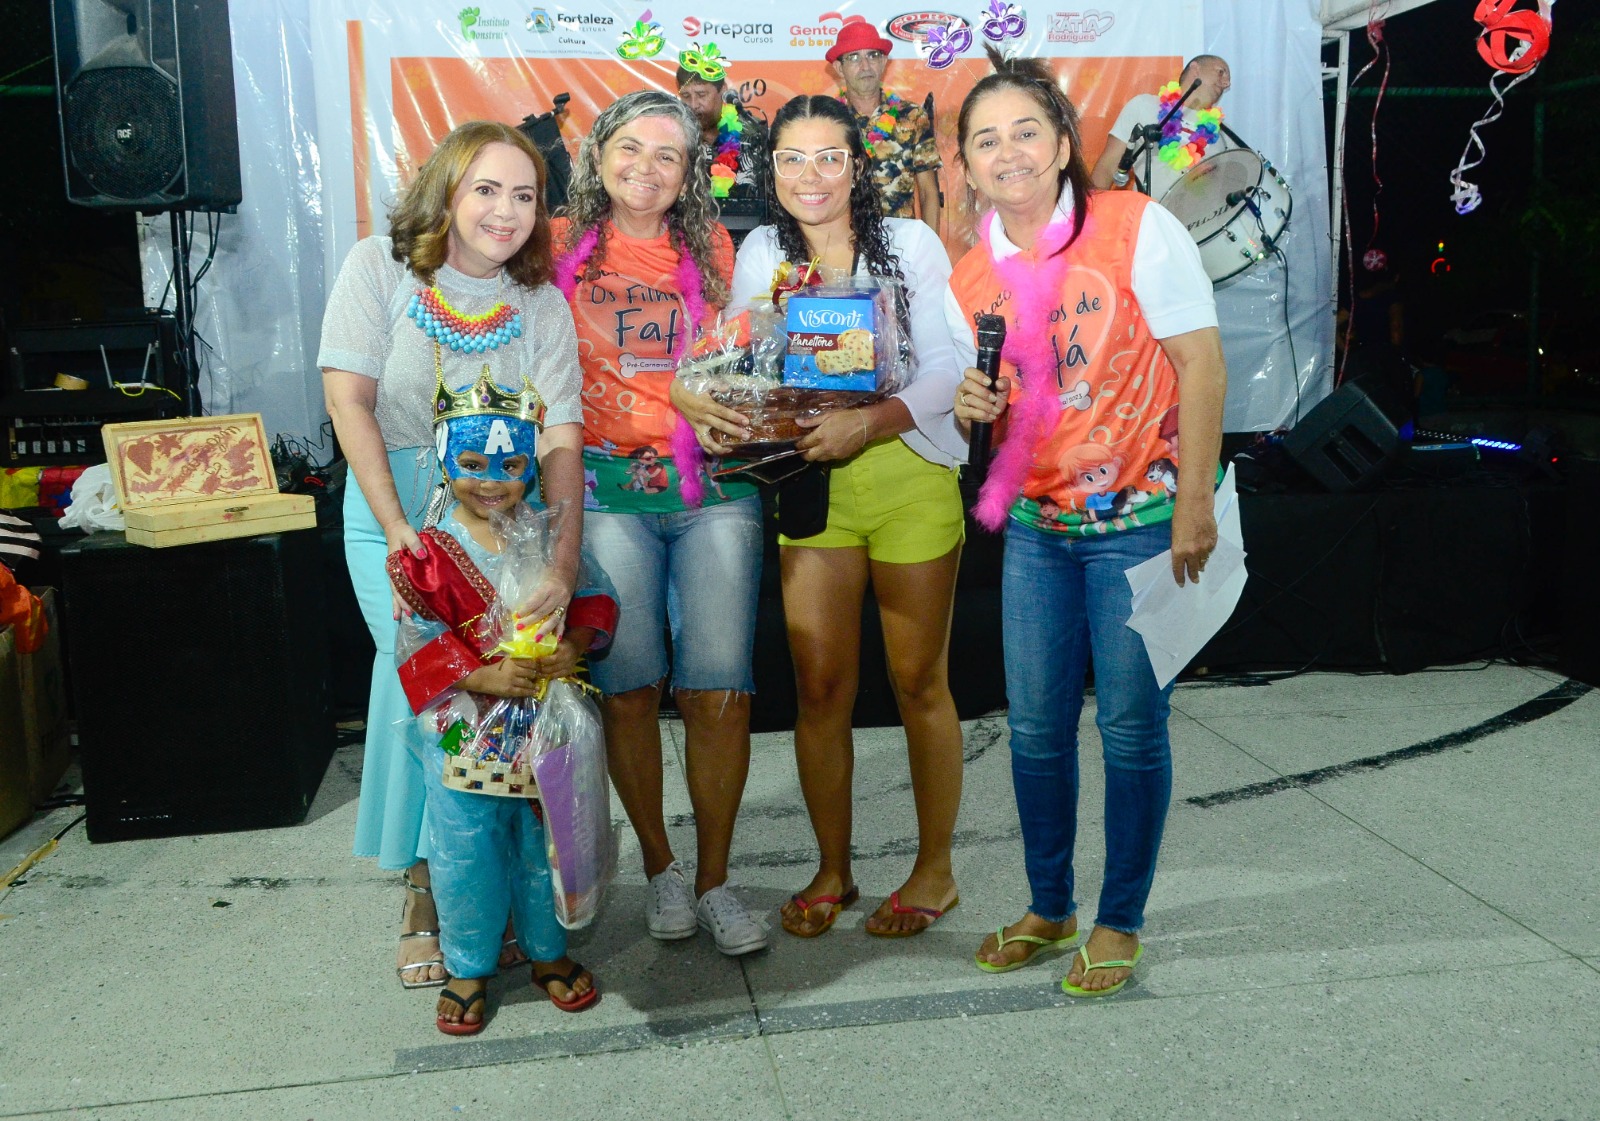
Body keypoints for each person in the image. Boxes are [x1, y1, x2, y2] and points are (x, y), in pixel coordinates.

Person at [951, 48, 1226, 995]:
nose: (1010, 153)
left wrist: (1195, 500)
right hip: (1038, 530)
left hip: (1142, 520)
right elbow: (988, 416)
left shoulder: (1136, 225)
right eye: (987, 140)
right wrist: (974, 407)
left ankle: (1119, 918)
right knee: (1034, 730)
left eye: (1027, 131)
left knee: (1132, 728)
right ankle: (1049, 904)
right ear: (967, 164)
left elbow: (1200, 363)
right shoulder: (970, 278)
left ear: (1064, 144)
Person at [673, 95, 974, 938]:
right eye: (793, 159)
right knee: (820, 688)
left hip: (909, 470)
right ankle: (833, 869)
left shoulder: (908, 243)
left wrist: (867, 424)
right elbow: (742, 356)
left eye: (830, 157)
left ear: (857, 165)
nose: (812, 176)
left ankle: (935, 870)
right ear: (770, 169)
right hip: (811, 483)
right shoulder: (763, 251)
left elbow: (947, 369)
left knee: (920, 682)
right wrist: (702, 391)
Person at [320, 120, 585, 989]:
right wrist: (398, 527)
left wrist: (562, 562)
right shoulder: (379, 268)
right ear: (446, 190)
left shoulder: (540, 303)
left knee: (506, 689)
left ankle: (493, 886)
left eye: (524, 195)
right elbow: (349, 401)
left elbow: (562, 438)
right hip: (395, 514)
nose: (505, 211)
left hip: (506, 529)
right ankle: (425, 891)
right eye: (486, 189)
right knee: (426, 683)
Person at [551, 90, 770, 957]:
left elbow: (739, 358)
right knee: (630, 688)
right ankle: (660, 867)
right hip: (607, 495)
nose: (646, 167)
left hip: (713, 491)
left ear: (689, 173)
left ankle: (715, 879)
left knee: (718, 689)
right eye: (630, 148)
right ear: (599, 155)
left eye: (668, 155)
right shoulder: (559, 246)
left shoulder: (714, 249)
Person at [392, 373, 615, 1034]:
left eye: (511, 466)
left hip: (545, 727)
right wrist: (482, 677)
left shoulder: (550, 539)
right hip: (462, 732)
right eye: (472, 464)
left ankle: (548, 950)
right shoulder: (428, 554)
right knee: (465, 848)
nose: (492, 481)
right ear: (444, 460)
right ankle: (468, 964)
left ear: (531, 468)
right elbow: (414, 640)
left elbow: (596, 598)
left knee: (548, 841)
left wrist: (572, 646)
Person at [825, 20, 942, 233]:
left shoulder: (912, 116)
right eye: (854, 57)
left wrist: (929, 246)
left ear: (884, 61)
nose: (865, 66)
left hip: (902, 240)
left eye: (873, 55)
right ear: (839, 68)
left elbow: (928, 192)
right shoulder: (828, 119)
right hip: (843, 239)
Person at [1090, 54, 1232, 202]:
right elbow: (1107, 166)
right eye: (1221, 72)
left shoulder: (1223, 132)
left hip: (1202, 215)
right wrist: (1091, 211)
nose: (1226, 83)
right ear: (1195, 69)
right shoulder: (1144, 106)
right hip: (1150, 213)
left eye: (1228, 80)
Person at [675, 44, 770, 241]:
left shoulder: (753, 135)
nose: (693, 104)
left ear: (723, 90)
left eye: (702, 95)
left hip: (750, 240)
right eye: (686, 96)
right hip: (689, 240)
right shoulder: (675, 138)